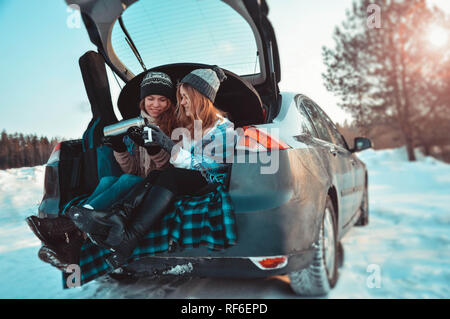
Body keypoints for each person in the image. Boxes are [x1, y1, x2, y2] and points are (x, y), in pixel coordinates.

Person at [68, 66, 237, 269]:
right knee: (160, 174)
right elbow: (175, 163)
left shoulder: (224, 129)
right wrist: (127, 147)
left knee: (169, 175)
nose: (181, 102)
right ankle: (117, 220)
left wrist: (166, 144)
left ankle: (128, 236)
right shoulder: (191, 125)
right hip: (186, 177)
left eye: (185, 97)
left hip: (210, 181)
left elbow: (211, 167)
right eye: (181, 97)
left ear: (200, 97)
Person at [26, 71, 177, 269]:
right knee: (107, 180)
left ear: (170, 102)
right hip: (136, 181)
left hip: (157, 185)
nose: (156, 104)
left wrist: (155, 149)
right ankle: (74, 238)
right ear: (143, 100)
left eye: (162, 99)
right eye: (150, 98)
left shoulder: (175, 128)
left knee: (126, 181)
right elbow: (130, 168)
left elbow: (170, 169)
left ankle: (70, 227)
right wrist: (120, 148)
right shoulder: (134, 126)